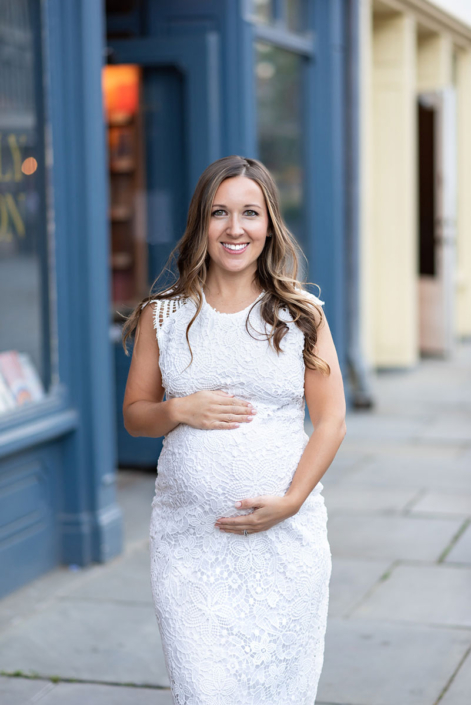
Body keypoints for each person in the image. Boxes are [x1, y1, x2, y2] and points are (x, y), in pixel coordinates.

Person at [121, 155, 346, 704]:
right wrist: (178, 410)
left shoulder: (300, 314)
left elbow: (332, 419)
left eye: (250, 212)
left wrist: (292, 501)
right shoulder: (164, 315)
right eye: (219, 213)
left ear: (269, 223)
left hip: (285, 545)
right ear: (201, 223)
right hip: (189, 548)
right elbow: (135, 415)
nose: (235, 227)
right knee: (203, 691)